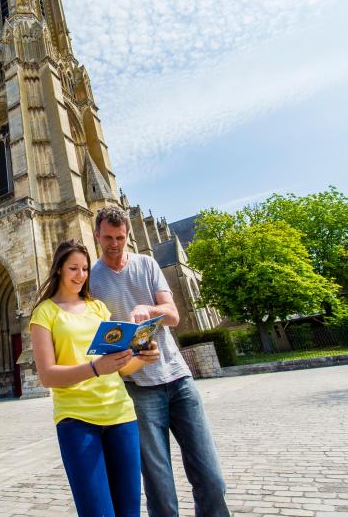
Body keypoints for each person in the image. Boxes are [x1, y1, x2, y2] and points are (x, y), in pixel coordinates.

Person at [90, 206, 230, 517]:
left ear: (129, 236)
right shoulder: (92, 281)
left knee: (211, 478)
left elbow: (174, 315)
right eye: (108, 237)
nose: (115, 244)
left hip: (178, 380)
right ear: (96, 234)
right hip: (137, 388)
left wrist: (148, 309)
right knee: (159, 487)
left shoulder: (147, 263)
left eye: (121, 237)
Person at [30, 239, 160, 517]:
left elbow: (119, 368)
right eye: (73, 268)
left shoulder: (98, 308)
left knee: (129, 512)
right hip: (76, 420)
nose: (80, 275)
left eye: (85, 269)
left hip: (121, 415)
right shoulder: (44, 313)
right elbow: (47, 376)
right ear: (59, 270)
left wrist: (141, 357)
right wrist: (95, 368)